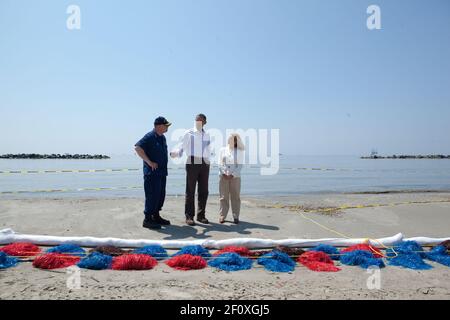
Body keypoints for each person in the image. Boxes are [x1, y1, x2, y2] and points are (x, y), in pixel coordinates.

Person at [170, 114, 211, 226]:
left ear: (205, 122)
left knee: (204, 191)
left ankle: (201, 216)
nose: (198, 122)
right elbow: (182, 147)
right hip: (192, 161)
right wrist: (175, 153)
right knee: (190, 190)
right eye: (197, 120)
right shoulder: (189, 133)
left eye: (201, 120)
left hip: (205, 163)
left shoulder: (207, 135)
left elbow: (207, 150)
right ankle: (189, 216)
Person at [134, 116, 172, 230]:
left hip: (161, 172)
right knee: (152, 195)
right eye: (166, 125)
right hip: (152, 173)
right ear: (159, 126)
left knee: (160, 195)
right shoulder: (149, 136)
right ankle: (147, 219)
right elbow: (137, 148)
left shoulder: (162, 138)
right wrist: (149, 162)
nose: (167, 127)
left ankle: (156, 215)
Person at [218, 134, 245, 224]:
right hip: (223, 176)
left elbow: (240, 166)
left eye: (234, 139)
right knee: (223, 197)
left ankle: (236, 216)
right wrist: (224, 173)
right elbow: (220, 163)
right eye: (230, 138)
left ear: (236, 141)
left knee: (235, 197)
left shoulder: (240, 151)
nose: (231, 140)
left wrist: (232, 175)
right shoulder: (222, 150)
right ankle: (222, 216)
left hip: (235, 178)